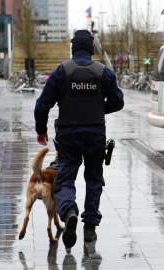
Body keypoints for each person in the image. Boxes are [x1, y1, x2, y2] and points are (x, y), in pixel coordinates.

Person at [34, 29, 124, 249]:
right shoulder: (103, 72)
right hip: (95, 134)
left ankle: (69, 210)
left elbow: (42, 105)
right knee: (94, 180)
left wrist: (41, 130)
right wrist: (98, 108)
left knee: (64, 179)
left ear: (73, 48)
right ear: (91, 49)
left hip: (68, 136)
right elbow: (118, 102)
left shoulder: (62, 71)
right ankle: (90, 227)